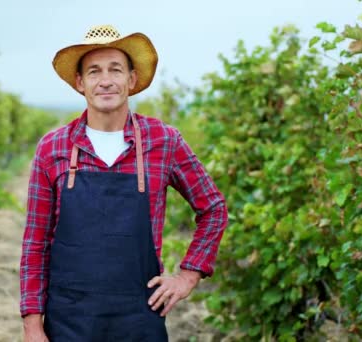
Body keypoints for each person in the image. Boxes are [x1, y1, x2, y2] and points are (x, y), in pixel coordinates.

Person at [20, 24, 228, 341]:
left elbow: (213, 207)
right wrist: (32, 325)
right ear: (80, 82)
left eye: (115, 69)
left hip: (139, 318)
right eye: (94, 71)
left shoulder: (164, 141)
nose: (105, 80)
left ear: (131, 80)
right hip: (69, 319)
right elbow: (35, 243)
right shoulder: (54, 148)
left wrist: (187, 276)